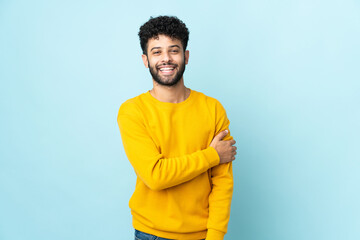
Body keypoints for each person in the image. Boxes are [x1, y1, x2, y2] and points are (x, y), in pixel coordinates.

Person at [117, 16, 237, 240]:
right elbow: (156, 176)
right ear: (145, 60)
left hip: (202, 235)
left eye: (174, 50)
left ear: (186, 56)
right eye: (156, 52)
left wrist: (215, 236)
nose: (166, 59)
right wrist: (212, 155)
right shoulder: (133, 111)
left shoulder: (212, 108)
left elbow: (222, 182)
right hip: (151, 234)